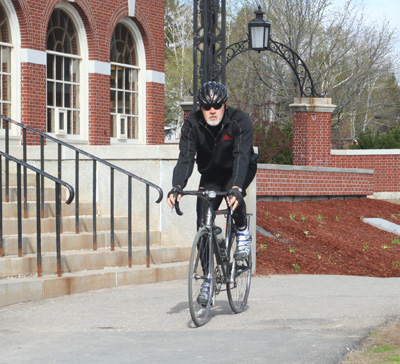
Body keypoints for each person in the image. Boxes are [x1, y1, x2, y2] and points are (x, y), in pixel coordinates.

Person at [167, 81, 257, 305]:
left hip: (239, 169)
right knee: (202, 225)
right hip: (211, 174)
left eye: (217, 106)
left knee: (235, 195)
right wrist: (177, 186)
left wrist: (236, 188)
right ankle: (208, 277)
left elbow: (242, 156)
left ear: (225, 105)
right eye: (207, 107)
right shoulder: (192, 125)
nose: (212, 111)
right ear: (201, 108)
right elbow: (186, 158)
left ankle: (242, 231)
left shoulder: (240, 121)